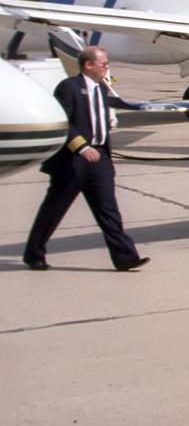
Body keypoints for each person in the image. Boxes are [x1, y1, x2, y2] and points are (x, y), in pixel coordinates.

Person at [22, 47, 150, 271]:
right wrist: (81, 146)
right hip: (74, 161)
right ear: (88, 65)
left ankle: (125, 257)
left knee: (109, 211)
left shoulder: (101, 89)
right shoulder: (69, 87)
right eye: (103, 64)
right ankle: (34, 253)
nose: (107, 67)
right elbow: (62, 121)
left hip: (99, 158)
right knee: (54, 209)